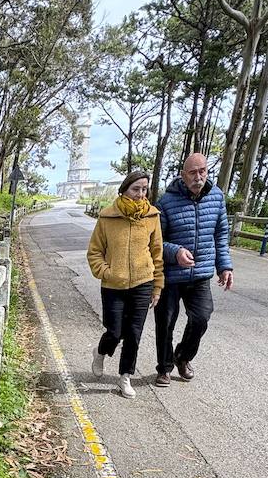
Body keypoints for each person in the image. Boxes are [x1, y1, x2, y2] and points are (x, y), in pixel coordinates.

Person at [153, 153, 234, 388]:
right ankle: (164, 367)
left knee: (201, 318)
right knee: (165, 323)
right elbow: (157, 240)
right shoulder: (166, 201)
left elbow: (221, 234)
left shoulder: (217, 197)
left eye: (203, 171)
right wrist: (175, 252)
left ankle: (183, 356)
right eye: (192, 172)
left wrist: (225, 266)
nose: (198, 177)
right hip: (171, 275)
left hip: (201, 273)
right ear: (183, 175)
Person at [85, 169, 166, 399]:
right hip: (113, 285)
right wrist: (106, 272)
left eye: (144, 189)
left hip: (143, 283)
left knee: (134, 333)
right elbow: (94, 252)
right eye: (136, 189)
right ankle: (100, 351)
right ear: (124, 189)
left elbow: (157, 253)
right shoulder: (107, 217)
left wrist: (157, 286)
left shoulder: (152, 216)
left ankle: (125, 376)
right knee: (115, 331)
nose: (141, 194)